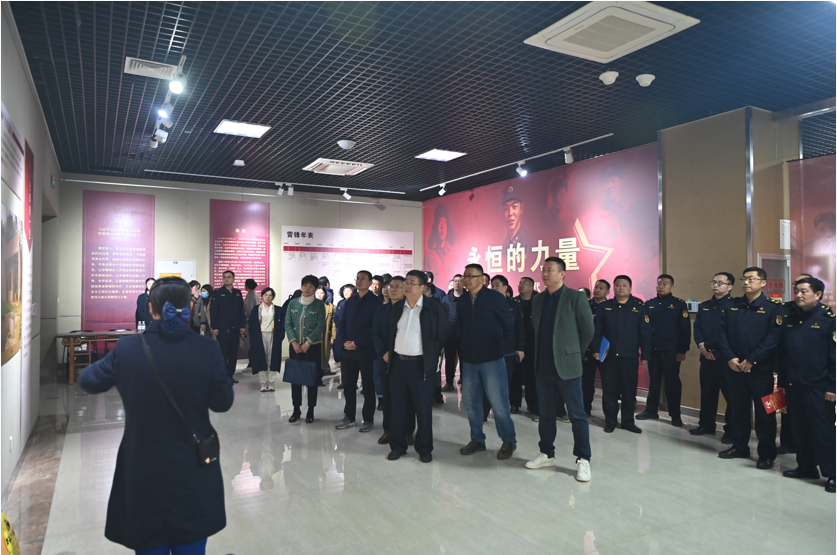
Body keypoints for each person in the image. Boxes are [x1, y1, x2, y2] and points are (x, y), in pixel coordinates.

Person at [78, 277, 233, 554]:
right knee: (191, 542)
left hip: (143, 464)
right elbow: (222, 403)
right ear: (190, 306)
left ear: (151, 309)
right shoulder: (207, 349)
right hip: (194, 465)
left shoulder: (128, 349)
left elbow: (88, 381)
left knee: (149, 539)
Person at [525, 258, 595, 482]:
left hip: (568, 366)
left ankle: (583, 459)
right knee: (545, 414)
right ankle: (546, 454)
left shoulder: (575, 297)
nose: (545, 273)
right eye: (543, 270)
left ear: (562, 274)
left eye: (550, 270)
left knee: (577, 415)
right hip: (543, 366)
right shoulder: (538, 299)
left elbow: (587, 330)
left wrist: (573, 352)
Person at [716, 267, 783, 469]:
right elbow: (721, 334)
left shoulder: (773, 308)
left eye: (751, 279)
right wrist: (729, 358)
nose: (746, 282)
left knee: (765, 413)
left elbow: (773, 339)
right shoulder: (732, 306)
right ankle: (739, 446)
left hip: (762, 371)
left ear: (763, 283)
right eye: (744, 278)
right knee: (738, 410)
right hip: (735, 368)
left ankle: (766, 454)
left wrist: (752, 360)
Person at [777, 277, 836, 493]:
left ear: (818, 295)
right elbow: (784, 355)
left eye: (804, 291)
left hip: (819, 387)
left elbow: (835, 357)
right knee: (799, 429)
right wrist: (782, 384)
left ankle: (832, 473)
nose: (799, 295)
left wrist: (833, 387)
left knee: (823, 432)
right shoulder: (792, 319)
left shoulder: (829, 320)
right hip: (794, 384)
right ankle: (806, 466)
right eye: (797, 291)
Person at [384, 270, 449, 463]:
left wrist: (432, 355)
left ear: (422, 287)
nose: (407, 286)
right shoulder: (398, 307)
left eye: (412, 283)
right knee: (398, 408)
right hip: (398, 365)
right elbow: (390, 333)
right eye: (406, 282)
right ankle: (398, 446)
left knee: (423, 410)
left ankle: (424, 448)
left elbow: (443, 334)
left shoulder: (433, 308)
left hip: (421, 366)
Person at [457, 264, 517, 460]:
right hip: (469, 360)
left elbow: (508, 325)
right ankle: (477, 439)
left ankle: (508, 440)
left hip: (492, 359)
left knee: (498, 403)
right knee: (470, 402)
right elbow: (460, 326)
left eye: (471, 276)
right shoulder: (463, 300)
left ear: (482, 279)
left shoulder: (494, 298)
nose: (466, 280)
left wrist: (495, 344)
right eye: (465, 276)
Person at [591, 275, 652, 433]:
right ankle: (610, 421)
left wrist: (645, 355)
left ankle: (628, 422)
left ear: (630, 288)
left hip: (629, 356)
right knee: (609, 390)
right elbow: (597, 331)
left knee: (628, 391)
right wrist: (595, 349)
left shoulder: (638, 307)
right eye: (618, 285)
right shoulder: (605, 307)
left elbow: (645, 333)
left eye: (624, 285)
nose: (621, 287)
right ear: (614, 288)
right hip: (608, 356)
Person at [637, 274, 691, 426]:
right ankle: (651, 410)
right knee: (654, 381)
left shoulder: (679, 304)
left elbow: (685, 330)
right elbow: (645, 329)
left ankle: (675, 415)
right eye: (659, 284)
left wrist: (682, 351)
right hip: (653, 351)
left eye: (665, 284)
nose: (661, 286)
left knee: (672, 383)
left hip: (671, 352)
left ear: (672, 287)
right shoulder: (649, 304)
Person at [690, 272, 735, 438]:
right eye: (714, 282)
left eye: (720, 283)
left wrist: (709, 346)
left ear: (730, 287)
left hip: (725, 358)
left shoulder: (734, 306)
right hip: (706, 357)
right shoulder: (705, 306)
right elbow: (697, 328)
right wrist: (702, 347)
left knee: (731, 396)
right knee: (708, 393)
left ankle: (731, 430)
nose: (716, 285)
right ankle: (706, 425)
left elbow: (727, 332)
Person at [373, 277, 415, 445]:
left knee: (407, 398)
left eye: (398, 287)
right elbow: (375, 333)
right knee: (388, 397)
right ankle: (388, 430)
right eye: (391, 286)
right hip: (385, 360)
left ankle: (407, 431)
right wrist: (383, 352)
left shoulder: (410, 310)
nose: (393, 290)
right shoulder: (381, 310)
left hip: (405, 360)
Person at [336, 271, 379, 431]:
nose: (359, 281)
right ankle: (349, 416)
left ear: (370, 282)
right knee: (349, 385)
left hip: (366, 350)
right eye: (358, 279)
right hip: (348, 350)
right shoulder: (350, 301)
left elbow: (374, 327)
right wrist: (345, 342)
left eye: (363, 279)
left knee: (368, 386)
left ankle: (368, 418)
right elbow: (342, 323)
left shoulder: (375, 302)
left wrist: (357, 343)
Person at [285, 275, 326, 423]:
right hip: (295, 347)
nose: (307, 288)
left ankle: (310, 410)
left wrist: (308, 343)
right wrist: (294, 342)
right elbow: (288, 323)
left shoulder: (319, 305)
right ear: (301, 286)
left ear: (315, 289)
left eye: (311, 286)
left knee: (311, 379)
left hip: (312, 347)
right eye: (305, 285)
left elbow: (320, 326)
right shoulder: (293, 303)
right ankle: (296, 410)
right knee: (295, 378)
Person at [489, 275, 525, 419]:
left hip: (509, 348)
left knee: (511, 379)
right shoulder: (486, 303)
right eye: (492, 286)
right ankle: (491, 406)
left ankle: (513, 403)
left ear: (505, 287)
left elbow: (520, 328)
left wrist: (520, 347)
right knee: (491, 380)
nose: (494, 288)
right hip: (491, 349)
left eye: (497, 285)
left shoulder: (514, 305)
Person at [209, 271, 246, 383]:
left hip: (235, 328)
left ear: (233, 279)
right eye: (224, 277)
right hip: (222, 329)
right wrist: (215, 327)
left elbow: (241, 311)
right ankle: (223, 376)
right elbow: (213, 311)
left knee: (233, 354)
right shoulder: (217, 293)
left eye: (229, 277)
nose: (226, 279)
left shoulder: (237, 293)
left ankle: (230, 375)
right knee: (223, 353)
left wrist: (242, 325)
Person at [247, 287, 284, 392]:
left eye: (270, 295)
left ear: (273, 297)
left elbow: (282, 325)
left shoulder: (278, 309)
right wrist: (253, 337)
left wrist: (280, 336)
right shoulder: (256, 309)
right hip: (260, 337)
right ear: (262, 296)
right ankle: (263, 383)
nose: (267, 297)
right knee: (261, 359)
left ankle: (271, 383)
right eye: (265, 295)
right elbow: (251, 325)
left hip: (273, 336)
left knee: (272, 360)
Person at [581, 279, 609, 415]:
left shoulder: (610, 307)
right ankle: (585, 409)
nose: (597, 290)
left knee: (608, 383)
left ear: (608, 292)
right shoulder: (585, 305)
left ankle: (609, 414)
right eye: (596, 287)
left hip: (605, 349)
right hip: (587, 349)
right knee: (586, 382)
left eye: (601, 288)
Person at [515, 277, 538, 418]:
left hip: (532, 345)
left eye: (524, 284)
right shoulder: (514, 302)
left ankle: (533, 405)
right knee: (516, 376)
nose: (521, 285)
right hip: (517, 344)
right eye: (520, 283)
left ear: (531, 287)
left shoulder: (537, 302)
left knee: (531, 377)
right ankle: (515, 403)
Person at [440, 274, 464, 391]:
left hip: (464, 335)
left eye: (460, 281)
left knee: (464, 360)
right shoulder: (446, 299)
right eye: (455, 281)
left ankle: (464, 382)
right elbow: (442, 317)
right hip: (450, 335)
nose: (457, 283)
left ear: (464, 284)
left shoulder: (467, 298)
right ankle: (449, 383)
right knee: (449, 360)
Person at [373, 278, 393, 410]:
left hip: (396, 351)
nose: (386, 290)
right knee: (378, 375)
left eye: (389, 287)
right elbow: (375, 331)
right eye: (384, 287)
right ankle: (381, 399)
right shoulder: (377, 305)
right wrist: (382, 351)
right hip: (379, 350)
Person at [333, 283, 356, 386]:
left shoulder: (356, 302)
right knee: (343, 359)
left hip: (351, 333)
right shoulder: (341, 302)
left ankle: (353, 382)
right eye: (344, 291)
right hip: (341, 333)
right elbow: (337, 317)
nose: (346, 293)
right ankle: (344, 381)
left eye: (348, 291)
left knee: (353, 359)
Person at [426, 203, 457, 278]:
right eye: (439, 222)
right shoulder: (430, 256)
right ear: (435, 227)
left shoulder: (453, 254)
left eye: (444, 222)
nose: (442, 226)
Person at [315, 286, 338, 378]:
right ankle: (314, 377)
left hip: (325, 335)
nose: (319, 295)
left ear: (325, 295)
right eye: (317, 293)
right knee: (314, 356)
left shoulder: (330, 306)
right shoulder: (311, 305)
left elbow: (333, 322)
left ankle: (320, 377)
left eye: (322, 293)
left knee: (324, 356)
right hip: (313, 335)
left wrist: (333, 336)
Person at [501, 185, 532, 252]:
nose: (510, 213)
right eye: (506, 208)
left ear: (521, 208)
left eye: (514, 206)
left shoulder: (530, 241)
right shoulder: (503, 245)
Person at [241, 278, 260, 356]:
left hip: (249, 322)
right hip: (253, 321)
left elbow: (249, 310)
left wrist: (243, 315)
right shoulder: (255, 294)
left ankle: (251, 361)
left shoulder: (250, 295)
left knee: (247, 341)